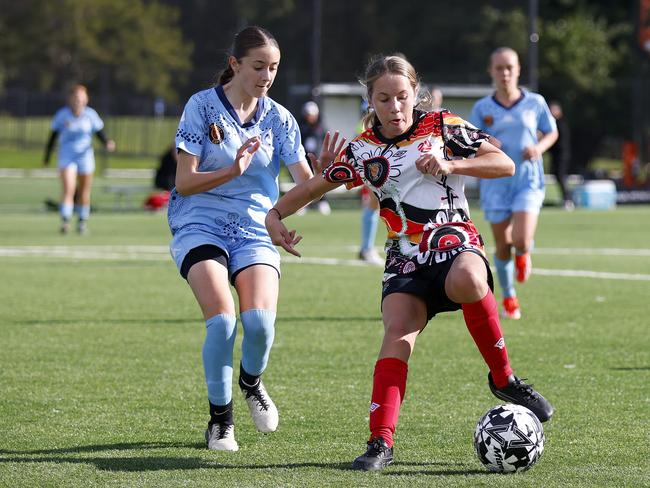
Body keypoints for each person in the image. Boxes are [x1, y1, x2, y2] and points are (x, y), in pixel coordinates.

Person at [266, 54, 554, 471]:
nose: (395, 107)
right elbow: (315, 187)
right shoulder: (363, 149)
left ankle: (504, 379)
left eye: (402, 97)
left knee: (471, 278)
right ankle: (380, 443)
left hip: (454, 243)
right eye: (384, 99)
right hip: (405, 260)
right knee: (397, 335)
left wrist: (451, 163)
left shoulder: (442, 126)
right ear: (371, 101)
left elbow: (504, 163)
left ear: (414, 94)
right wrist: (274, 216)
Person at [167, 26, 344, 452]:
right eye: (258, 66)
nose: (267, 75)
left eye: (274, 68)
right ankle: (220, 420)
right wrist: (231, 171)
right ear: (235, 64)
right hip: (199, 223)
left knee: (259, 324)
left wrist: (329, 175)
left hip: (254, 228)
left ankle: (251, 382)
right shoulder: (201, 108)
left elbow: (304, 185)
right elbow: (185, 182)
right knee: (224, 320)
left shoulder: (280, 118)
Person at [469, 47, 558, 320]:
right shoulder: (482, 108)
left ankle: (525, 253)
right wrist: (487, 144)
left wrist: (539, 147)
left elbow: (551, 131)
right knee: (503, 245)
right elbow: (471, 141)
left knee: (521, 238)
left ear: (518, 70)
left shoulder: (535, 102)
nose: (504, 73)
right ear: (491, 72)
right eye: (499, 68)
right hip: (495, 183)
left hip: (527, 180)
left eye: (509, 67)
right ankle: (509, 297)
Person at [43, 84, 115, 234]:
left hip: (85, 157)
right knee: (69, 188)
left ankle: (82, 221)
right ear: (70, 99)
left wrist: (107, 142)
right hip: (67, 156)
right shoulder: (62, 115)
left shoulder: (90, 115)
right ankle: (65, 220)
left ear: (86, 99)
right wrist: (47, 157)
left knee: (84, 191)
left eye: (81, 97)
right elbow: (53, 137)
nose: (78, 100)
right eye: (75, 97)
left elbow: (99, 133)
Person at [357, 98, 384, 265]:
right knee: (373, 205)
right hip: (373, 169)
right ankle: (367, 248)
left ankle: (367, 248)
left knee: (374, 206)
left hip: (374, 169)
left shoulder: (365, 125)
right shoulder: (367, 127)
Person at [299, 100, 331, 215]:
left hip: (318, 159)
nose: (310, 117)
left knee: (321, 180)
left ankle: (323, 203)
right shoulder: (301, 127)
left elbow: (324, 141)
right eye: (308, 115)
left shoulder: (321, 127)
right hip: (305, 159)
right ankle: (303, 204)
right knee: (304, 180)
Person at [548, 101, 574, 210]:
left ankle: (568, 199)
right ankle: (565, 198)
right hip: (557, 155)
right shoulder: (553, 123)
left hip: (561, 155)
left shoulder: (560, 124)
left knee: (561, 176)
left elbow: (558, 142)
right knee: (558, 176)